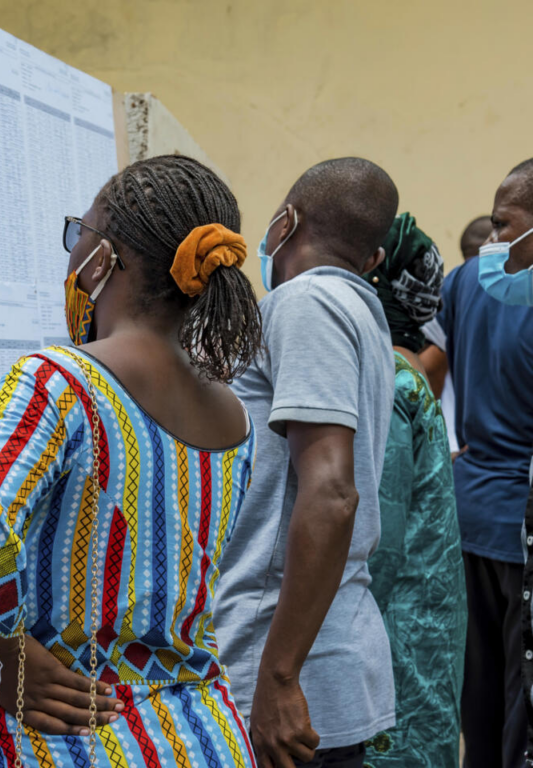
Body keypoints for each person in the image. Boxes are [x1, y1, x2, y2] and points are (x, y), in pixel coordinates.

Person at [0, 155, 265, 766]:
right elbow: (113, 486)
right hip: (202, 736)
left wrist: (2, 659)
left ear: (103, 259)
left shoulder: (56, 380)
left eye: (77, 233)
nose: (71, 253)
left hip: (73, 735)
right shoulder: (234, 415)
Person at [214, 157, 399, 768]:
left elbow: (331, 492)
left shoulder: (307, 303)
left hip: (289, 671)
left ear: (284, 221)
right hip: (313, 658)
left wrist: (280, 677)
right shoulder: (358, 311)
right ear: (371, 258)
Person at [436, 160, 533, 768]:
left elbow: (433, 368)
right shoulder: (475, 278)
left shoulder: (464, 280)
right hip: (515, 526)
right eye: (495, 224)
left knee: (482, 696)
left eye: (504, 223)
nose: (496, 238)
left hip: (468, 511)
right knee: (517, 709)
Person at [360, 213, 466, 767]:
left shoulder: (394, 385)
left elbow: (380, 546)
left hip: (397, 641)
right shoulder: (402, 376)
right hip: (413, 633)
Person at [418, 214, 492, 451]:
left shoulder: (450, 286)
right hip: (465, 442)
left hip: (455, 440)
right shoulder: (492, 289)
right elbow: (432, 365)